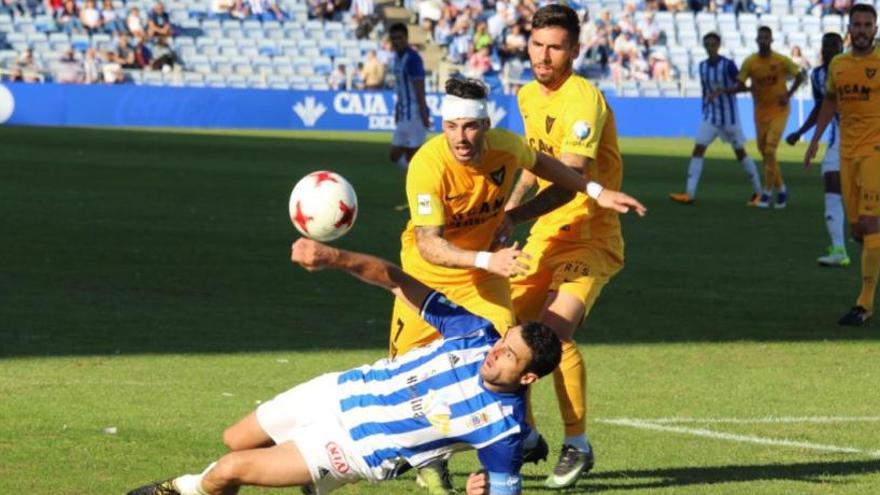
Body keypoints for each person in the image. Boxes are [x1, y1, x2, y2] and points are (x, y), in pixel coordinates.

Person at [126, 237, 564, 495]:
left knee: (228, 469)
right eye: (504, 342)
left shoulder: (502, 432)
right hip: (338, 391)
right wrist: (334, 258)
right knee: (235, 438)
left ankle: (181, 489)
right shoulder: (475, 333)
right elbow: (399, 281)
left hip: (352, 448)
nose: (495, 351)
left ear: (527, 377)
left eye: (508, 355)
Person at [391, 76, 645, 493]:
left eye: (471, 126)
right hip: (426, 280)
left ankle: (510, 450)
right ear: (443, 124)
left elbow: (547, 167)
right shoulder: (427, 165)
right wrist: (490, 258)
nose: (461, 136)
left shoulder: (506, 146)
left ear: (486, 125)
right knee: (405, 375)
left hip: (483, 279)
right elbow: (429, 245)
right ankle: (432, 458)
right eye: (452, 126)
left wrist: (595, 191)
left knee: (504, 357)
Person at [502, 4, 642, 489]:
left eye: (555, 47)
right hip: (544, 234)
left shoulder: (584, 100)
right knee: (503, 334)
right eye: (538, 45)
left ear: (574, 50)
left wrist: (515, 214)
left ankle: (577, 443)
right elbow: (532, 162)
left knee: (552, 334)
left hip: (590, 234)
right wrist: (509, 217)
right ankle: (527, 435)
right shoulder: (525, 95)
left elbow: (569, 178)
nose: (544, 55)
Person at [805, 3, 880, 326]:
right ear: (850, 29)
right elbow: (830, 101)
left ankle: (863, 304)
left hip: (876, 151)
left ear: (875, 29)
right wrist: (813, 141)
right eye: (858, 25)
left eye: (868, 25)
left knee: (871, 223)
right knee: (858, 231)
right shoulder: (838, 64)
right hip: (846, 151)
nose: (862, 30)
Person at [711, 26, 804, 208]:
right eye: (760, 38)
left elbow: (800, 75)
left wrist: (789, 94)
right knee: (765, 154)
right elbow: (740, 84)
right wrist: (723, 90)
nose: (763, 41)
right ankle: (782, 189)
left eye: (766, 38)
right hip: (760, 113)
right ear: (756, 41)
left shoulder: (781, 60)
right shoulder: (750, 63)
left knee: (770, 149)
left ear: (771, 40)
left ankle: (767, 193)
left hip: (779, 110)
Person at [670, 32, 763, 205]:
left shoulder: (728, 65)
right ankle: (689, 193)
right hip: (711, 116)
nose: (710, 48)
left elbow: (743, 87)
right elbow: (705, 90)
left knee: (740, 153)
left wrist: (723, 91)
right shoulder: (702, 66)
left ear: (718, 45)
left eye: (713, 44)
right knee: (698, 149)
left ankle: (759, 192)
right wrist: (705, 107)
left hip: (730, 118)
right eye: (707, 44)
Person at [786, 32, 849, 267]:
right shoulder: (818, 75)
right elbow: (821, 108)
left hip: (867, 139)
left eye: (835, 44)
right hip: (837, 139)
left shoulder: (855, 67)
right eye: (827, 45)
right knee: (832, 186)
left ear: (842, 46)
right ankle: (839, 248)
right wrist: (803, 134)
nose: (831, 48)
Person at [388, 22, 431, 170]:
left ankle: (420, 180)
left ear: (406, 38)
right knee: (394, 155)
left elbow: (420, 87)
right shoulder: (397, 58)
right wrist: (397, 109)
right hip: (404, 113)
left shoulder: (413, 58)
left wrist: (424, 113)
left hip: (415, 113)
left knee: (412, 157)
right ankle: (418, 173)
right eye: (393, 38)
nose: (396, 41)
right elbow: (400, 88)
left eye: (399, 38)